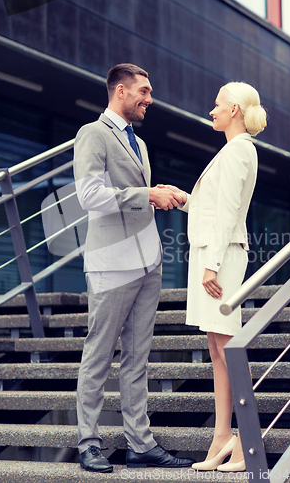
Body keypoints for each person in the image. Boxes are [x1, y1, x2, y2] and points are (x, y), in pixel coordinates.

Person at [73, 63, 194, 473]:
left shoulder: (139, 145)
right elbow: (90, 195)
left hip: (147, 262)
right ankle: (88, 443)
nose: (150, 98)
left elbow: (139, 197)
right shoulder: (93, 134)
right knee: (99, 353)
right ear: (120, 91)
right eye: (144, 90)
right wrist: (147, 193)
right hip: (111, 264)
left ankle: (139, 443)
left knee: (137, 357)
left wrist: (162, 193)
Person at [164, 82, 267, 472]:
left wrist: (213, 266)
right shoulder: (232, 150)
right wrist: (185, 197)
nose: (212, 110)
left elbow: (228, 214)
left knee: (227, 349)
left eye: (217, 104)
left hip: (220, 258)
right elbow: (213, 208)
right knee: (216, 348)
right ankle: (223, 434)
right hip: (213, 254)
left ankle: (245, 439)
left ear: (235, 110)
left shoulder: (240, 150)